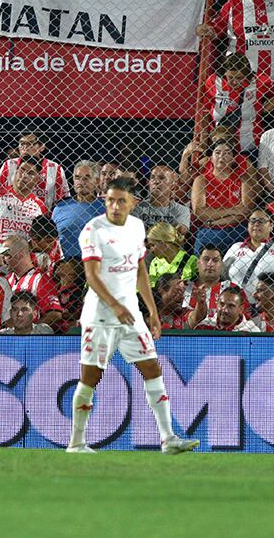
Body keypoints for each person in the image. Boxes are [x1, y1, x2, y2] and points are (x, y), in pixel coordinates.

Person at [67, 177, 199, 454]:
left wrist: (151, 311)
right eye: (110, 200)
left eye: (121, 201)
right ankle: (76, 442)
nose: (114, 206)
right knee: (91, 377)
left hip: (131, 314)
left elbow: (140, 270)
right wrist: (115, 305)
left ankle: (168, 439)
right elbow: (91, 275)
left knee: (152, 367)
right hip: (101, 315)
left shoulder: (138, 227)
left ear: (133, 203)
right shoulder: (94, 230)